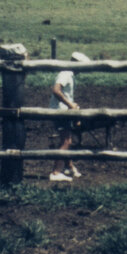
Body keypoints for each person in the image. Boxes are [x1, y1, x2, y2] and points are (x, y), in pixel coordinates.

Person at [48, 51, 90, 182]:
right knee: (66, 141)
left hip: (63, 110)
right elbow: (56, 90)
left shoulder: (68, 74)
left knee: (66, 139)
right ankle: (55, 172)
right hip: (61, 111)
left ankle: (69, 167)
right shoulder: (66, 74)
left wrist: (71, 104)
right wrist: (70, 104)